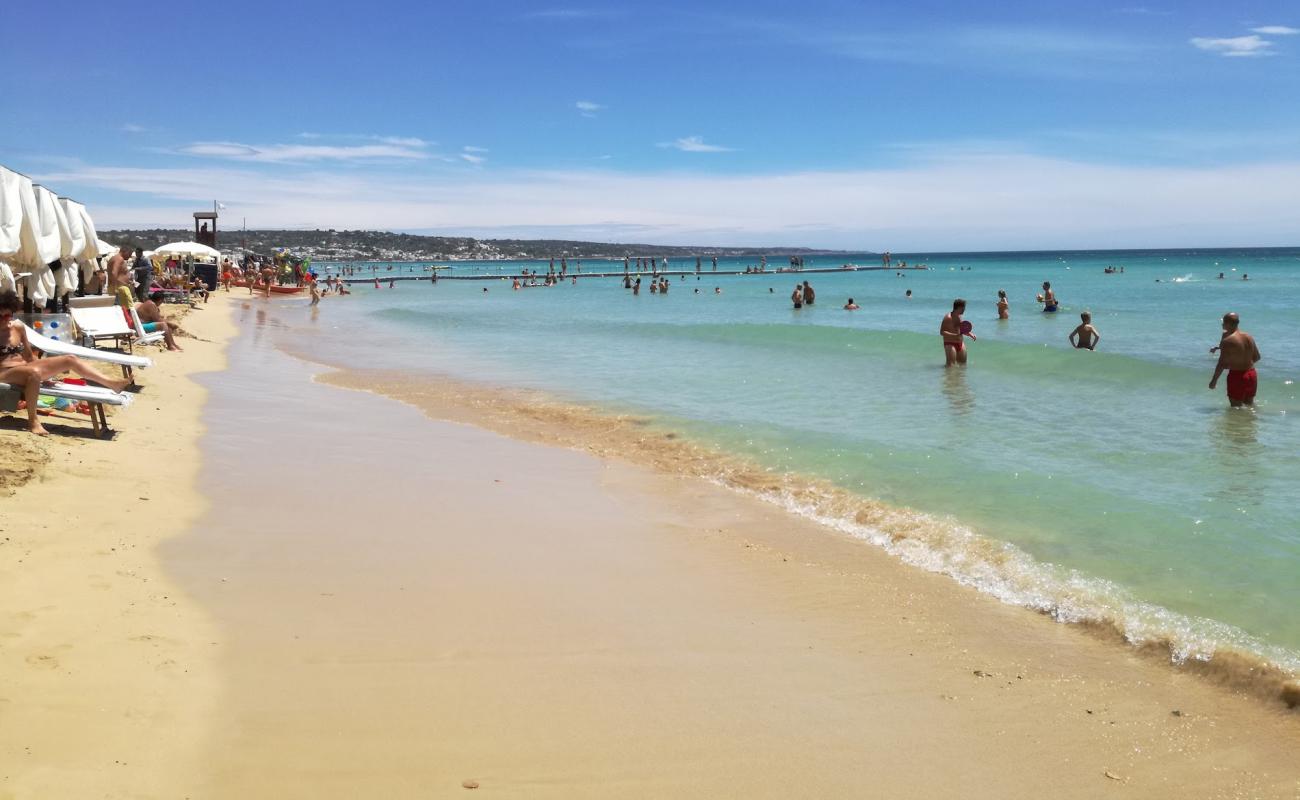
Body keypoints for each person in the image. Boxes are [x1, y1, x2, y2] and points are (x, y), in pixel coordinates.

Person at [0, 290, 132, 435]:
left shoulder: (18, 328)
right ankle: (33, 421)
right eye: (0, 316)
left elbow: (29, 357)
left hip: (25, 368)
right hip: (4, 373)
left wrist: (46, 376)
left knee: (70, 359)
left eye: (7, 315)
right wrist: (35, 375)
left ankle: (112, 384)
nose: (4, 319)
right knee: (34, 373)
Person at [1209, 312, 1261, 407]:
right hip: (1251, 375)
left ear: (1228, 324)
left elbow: (1221, 364)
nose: (1222, 324)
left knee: (1236, 408)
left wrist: (1214, 380)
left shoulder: (1228, 340)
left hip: (1237, 377)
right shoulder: (1248, 336)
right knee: (1250, 406)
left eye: (1223, 322)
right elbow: (1257, 357)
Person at [940, 298, 975, 367]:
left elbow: (961, 330)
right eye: (964, 308)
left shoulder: (959, 316)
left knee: (963, 365)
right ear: (959, 307)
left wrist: (970, 334)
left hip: (960, 343)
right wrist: (954, 335)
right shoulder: (948, 317)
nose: (965, 309)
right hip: (950, 344)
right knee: (950, 366)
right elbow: (942, 332)